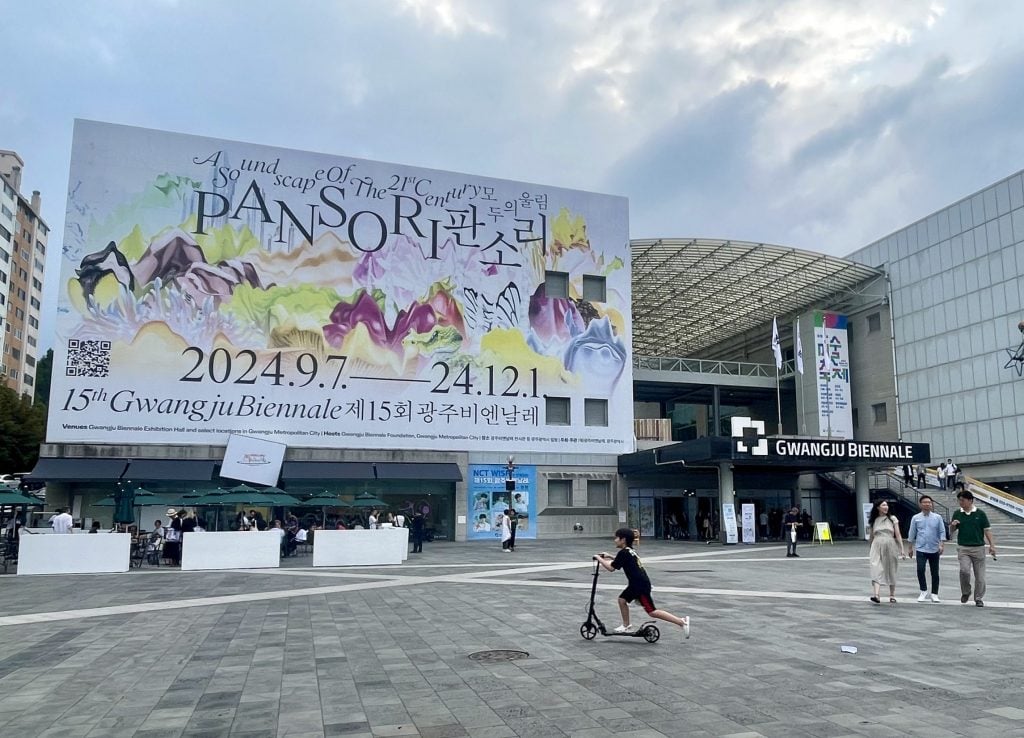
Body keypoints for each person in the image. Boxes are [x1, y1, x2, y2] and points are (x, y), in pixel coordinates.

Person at [594, 528, 690, 638]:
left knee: (652, 612)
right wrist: (609, 556)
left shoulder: (624, 552)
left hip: (639, 586)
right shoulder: (630, 551)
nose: (614, 540)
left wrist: (598, 558)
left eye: (616, 538)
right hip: (638, 583)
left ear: (623, 540)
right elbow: (619, 561)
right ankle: (626, 625)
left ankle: (681, 622)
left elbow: (611, 568)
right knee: (622, 600)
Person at [950, 490, 996, 606]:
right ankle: (966, 591)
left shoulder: (980, 514)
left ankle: (978, 598)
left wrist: (992, 545)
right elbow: (951, 532)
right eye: (959, 500)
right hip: (963, 547)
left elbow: (987, 530)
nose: (961, 502)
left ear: (970, 500)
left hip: (978, 548)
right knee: (964, 570)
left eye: (963, 500)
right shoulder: (957, 513)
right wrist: (953, 526)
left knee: (980, 577)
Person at [908, 494, 946, 602]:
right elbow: (912, 533)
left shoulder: (937, 517)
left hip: (934, 548)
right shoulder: (916, 518)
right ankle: (923, 590)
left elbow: (942, 531)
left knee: (935, 572)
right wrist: (910, 547)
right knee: (920, 569)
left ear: (932, 504)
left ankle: (934, 593)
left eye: (929, 502)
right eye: (925, 502)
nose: (927, 504)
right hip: (921, 548)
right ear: (920, 504)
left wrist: (941, 544)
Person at [868, 500, 906, 604]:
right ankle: (876, 595)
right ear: (878, 507)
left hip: (890, 543)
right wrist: (870, 547)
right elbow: (871, 536)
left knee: (891, 568)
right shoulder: (873, 520)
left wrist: (902, 549)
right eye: (883, 505)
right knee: (875, 567)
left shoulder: (892, 519)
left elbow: (897, 535)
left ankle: (892, 595)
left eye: (886, 505)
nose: (886, 507)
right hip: (876, 544)